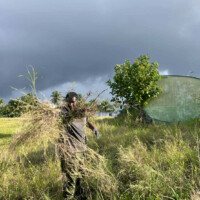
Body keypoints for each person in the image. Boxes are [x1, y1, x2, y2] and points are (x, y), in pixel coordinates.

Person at [59, 92, 99, 199]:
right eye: (69, 102)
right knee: (70, 180)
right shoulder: (63, 113)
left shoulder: (81, 112)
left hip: (81, 150)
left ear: (77, 101)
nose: (71, 105)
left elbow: (88, 121)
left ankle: (79, 196)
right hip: (69, 151)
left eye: (73, 102)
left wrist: (94, 128)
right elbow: (58, 121)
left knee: (80, 177)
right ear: (66, 102)